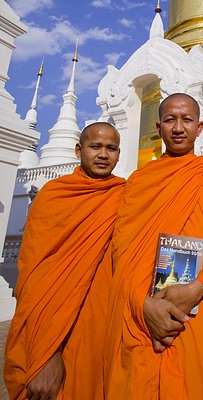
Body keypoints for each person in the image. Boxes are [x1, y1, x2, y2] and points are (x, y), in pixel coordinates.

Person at [104, 93, 203, 399]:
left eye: (186, 120)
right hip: (143, 312)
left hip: (199, 308)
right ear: (158, 127)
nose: (178, 127)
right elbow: (121, 251)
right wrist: (143, 305)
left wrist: (196, 288)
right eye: (170, 119)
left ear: (199, 127)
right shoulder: (139, 182)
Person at [5, 122, 125, 400]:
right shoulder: (53, 196)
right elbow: (33, 280)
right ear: (79, 149)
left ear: (119, 153)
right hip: (52, 333)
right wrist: (46, 352)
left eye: (111, 148)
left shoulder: (124, 195)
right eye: (96, 147)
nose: (103, 154)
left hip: (104, 330)